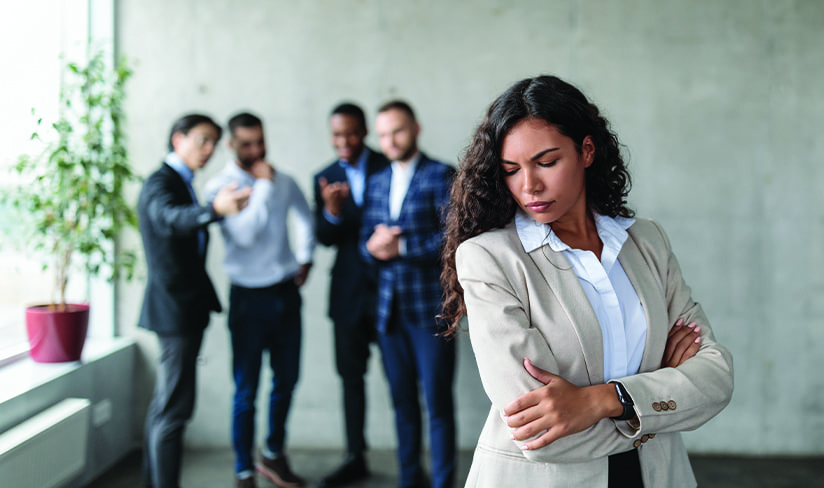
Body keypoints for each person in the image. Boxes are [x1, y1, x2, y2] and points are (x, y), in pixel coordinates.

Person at [440, 75, 734, 488]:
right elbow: (539, 431)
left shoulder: (646, 241)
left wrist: (599, 401)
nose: (529, 186)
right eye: (511, 170)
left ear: (587, 151)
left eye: (546, 162)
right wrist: (655, 400)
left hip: (658, 474)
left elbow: (716, 379)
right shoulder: (489, 258)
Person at [138, 113, 252, 488]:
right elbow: (170, 218)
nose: (208, 150)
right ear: (177, 139)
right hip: (174, 312)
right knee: (174, 411)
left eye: (213, 144)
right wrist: (214, 211)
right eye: (202, 140)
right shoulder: (161, 182)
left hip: (182, 310)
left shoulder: (181, 181)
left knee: (166, 408)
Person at [204, 112, 315, 488]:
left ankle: (273, 455)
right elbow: (247, 234)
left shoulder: (283, 181)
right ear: (231, 146)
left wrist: (306, 256)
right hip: (247, 300)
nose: (256, 150)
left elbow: (305, 217)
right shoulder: (220, 189)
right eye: (247, 144)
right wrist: (264, 186)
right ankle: (243, 471)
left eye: (260, 141)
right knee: (246, 390)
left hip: (286, 294)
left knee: (286, 381)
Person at [360, 100, 457, 488]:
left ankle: (443, 482)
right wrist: (372, 247)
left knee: (437, 405)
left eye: (397, 131)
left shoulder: (441, 175)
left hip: (431, 310)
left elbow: (453, 239)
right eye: (382, 134)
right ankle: (408, 480)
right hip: (388, 312)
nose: (390, 141)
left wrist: (401, 248)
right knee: (402, 404)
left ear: (415, 128)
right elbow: (364, 242)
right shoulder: (377, 181)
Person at [313, 103, 390, 487]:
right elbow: (324, 239)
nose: (343, 142)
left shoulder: (388, 164)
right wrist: (331, 213)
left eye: (351, 134)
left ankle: (410, 460)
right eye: (336, 135)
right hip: (347, 298)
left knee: (402, 381)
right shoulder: (325, 177)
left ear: (364, 132)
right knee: (350, 379)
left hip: (391, 293)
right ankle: (354, 456)